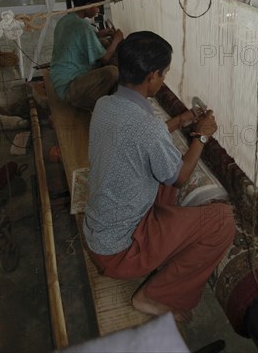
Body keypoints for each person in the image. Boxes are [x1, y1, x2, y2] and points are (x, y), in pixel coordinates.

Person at [83, 31, 235, 321]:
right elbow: (178, 177)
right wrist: (201, 138)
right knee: (223, 222)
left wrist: (181, 121)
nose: (164, 80)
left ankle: (165, 241)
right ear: (152, 76)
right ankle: (154, 296)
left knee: (161, 179)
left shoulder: (105, 105)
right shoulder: (146, 127)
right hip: (119, 253)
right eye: (164, 74)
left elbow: (138, 140)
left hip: (98, 233)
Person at [50, 0, 123, 111]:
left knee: (105, 43)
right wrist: (117, 40)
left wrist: (101, 34)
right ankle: (84, 102)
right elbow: (105, 59)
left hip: (59, 80)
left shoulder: (66, 20)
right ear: (87, 5)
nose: (98, 10)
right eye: (97, 7)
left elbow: (78, 39)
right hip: (68, 87)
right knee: (113, 72)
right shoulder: (83, 26)